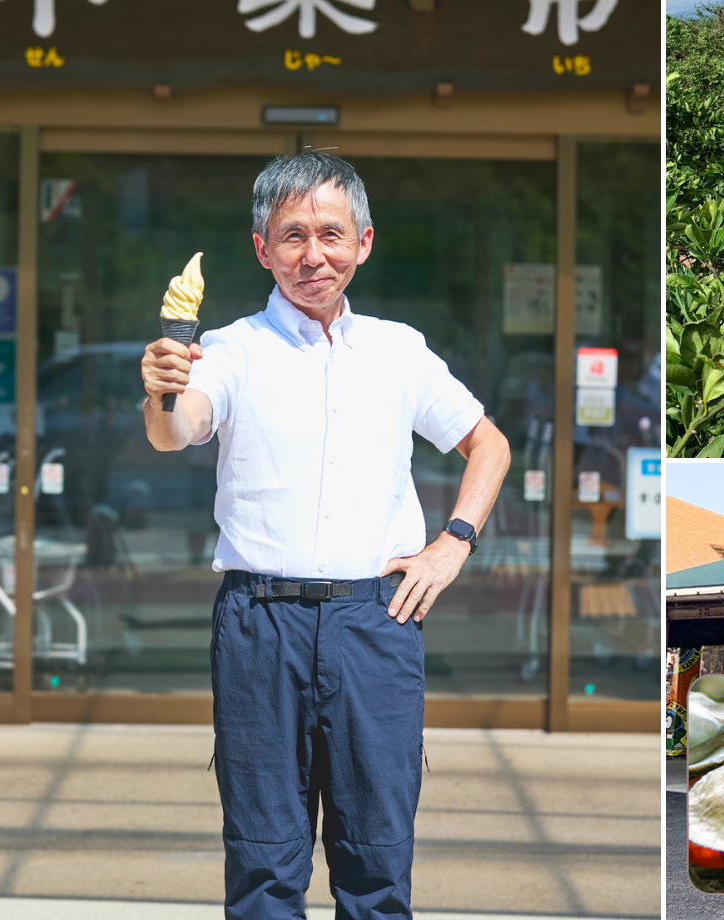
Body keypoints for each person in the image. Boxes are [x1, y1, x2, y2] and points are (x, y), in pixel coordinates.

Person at [140, 151, 511, 918]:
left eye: (332, 235)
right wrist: (164, 389)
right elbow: (180, 430)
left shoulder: (398, 350)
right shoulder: (233, 349)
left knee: (377, 861)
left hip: (374, 622)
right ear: (262, 248)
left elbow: (489, 444)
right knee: (264, 864)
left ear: (363, 242)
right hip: (258, 624)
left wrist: (454, 543)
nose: (315, 255)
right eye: (293, 235)